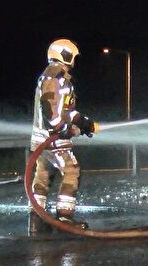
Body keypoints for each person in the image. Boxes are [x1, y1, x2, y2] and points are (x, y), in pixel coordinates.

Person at [29, 38, 97, 234]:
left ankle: (36, 220)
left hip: (42, 139)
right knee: (71, 169)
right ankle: (65, 218)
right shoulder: (55, 77)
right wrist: (62, 129)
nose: (74, 60)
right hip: (53, 139)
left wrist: (83, 122)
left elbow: (64, 109)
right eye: (73, 56)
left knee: (42, 176)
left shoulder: (54, 76)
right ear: (65, 55)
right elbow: (52, 111)